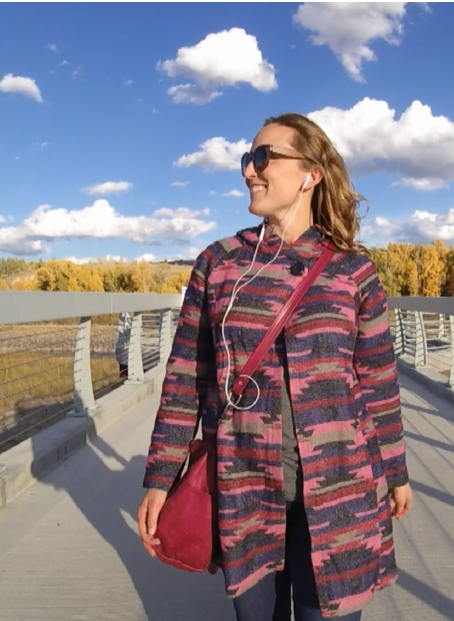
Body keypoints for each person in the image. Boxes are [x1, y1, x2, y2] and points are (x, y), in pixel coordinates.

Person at [137, 113, 412, 621]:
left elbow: (377, 382)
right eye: (248, 158)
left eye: (264, 157)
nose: (249, 170)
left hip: (341, 492)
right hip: (246, 489)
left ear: (310, 174)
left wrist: (396, 472)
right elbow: (185, 381)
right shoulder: (219, 264)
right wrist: (159, 478)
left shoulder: (354, 271)